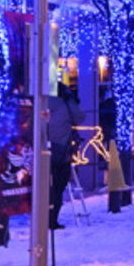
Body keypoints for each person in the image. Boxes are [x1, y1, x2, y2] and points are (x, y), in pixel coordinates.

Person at [48, 83, 85, 229]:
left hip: (40, 151)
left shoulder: (40, 103)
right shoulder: (65, 105)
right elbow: (80, 117)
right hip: (61, 151)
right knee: (58, 187)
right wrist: (71, 100)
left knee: (43, 187)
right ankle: (52, 220)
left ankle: (41, 218)